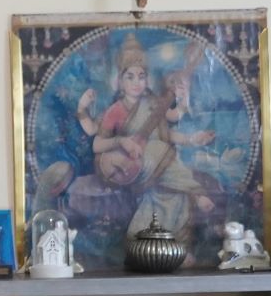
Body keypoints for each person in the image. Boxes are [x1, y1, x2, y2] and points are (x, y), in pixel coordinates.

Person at [88, 35, 217, 244]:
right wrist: (121, 142)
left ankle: (164, 245)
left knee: (172, 196)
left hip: (154, 165)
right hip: (130, 166)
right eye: (130, 77)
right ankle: (197, 193)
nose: (136, 83)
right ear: (120, 81)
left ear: (147, 80)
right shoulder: (116, 110)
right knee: (158, 151)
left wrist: (192, 136)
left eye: (141, 77)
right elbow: (97, 145)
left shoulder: (152, 103)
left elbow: (167, 128)